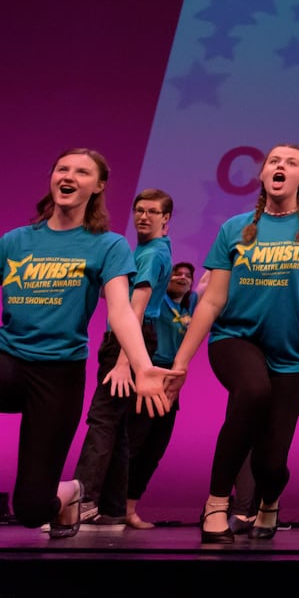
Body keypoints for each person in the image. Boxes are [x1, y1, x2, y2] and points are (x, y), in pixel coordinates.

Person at [166, 143, 299, 544]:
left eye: (291, 162)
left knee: (271, 461)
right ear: (263, 175)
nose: (280, 166)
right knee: (251, 391)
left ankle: (269, 501)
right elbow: (213, 299)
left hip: (293, 351)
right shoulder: (233, 228)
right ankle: (218, 503)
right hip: (235, 337)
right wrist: (181, 363)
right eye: (273, 161)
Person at [0, 148, 169, 536]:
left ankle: (69, 494)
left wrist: (142, 367)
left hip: (58, 375)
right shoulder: (15, 241)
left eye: (81, 171)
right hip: (8, 360)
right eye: (62, 168)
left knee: (29, 510)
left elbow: (122, 311)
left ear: (98, 186)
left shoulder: (107, 246)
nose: (69, 176)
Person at [71, 188, 176, 527]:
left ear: (166, 219)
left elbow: (138, 305)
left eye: (152, 212)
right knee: (117, 426)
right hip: (134, 338)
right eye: (139, 210)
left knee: (101, 421)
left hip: (129, 339)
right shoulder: (145, 250)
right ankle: (114, 508)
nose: (143, 216)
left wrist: (123, 360)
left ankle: (81, 501)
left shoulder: (152, 254)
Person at [123, 260, 197, 529]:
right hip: (150, 372)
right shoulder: (157, 301)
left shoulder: (190, 305)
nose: (182, 278)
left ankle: (129, 509)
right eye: (177, 273)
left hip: (172, 381)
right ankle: (108, 506)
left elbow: (209, 285)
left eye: (188, 276)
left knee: (154, 448)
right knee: (134, 442)